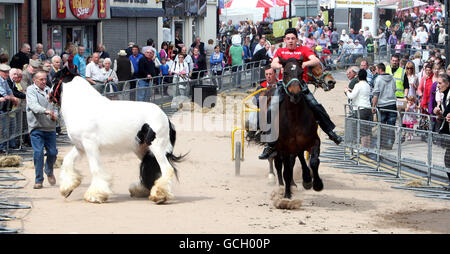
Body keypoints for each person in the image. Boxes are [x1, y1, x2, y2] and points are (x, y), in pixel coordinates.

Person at [259, 28, 342, 159]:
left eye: (293, 38)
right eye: (288, 38)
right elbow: (274, 63)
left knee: (315, 106)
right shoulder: (281, 51)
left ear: (297, 39)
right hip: (284, 86)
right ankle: (270, 144)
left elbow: (315, 60)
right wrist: (282, 66)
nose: (291, 41)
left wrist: (303, 64)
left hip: (301, 85)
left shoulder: (303, 50)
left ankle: (330, 132)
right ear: (285, 40)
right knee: (270, 109)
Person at [26, 71, 58, 189]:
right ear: (35, 80)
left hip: (50, 127)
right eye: (41, 80)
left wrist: (55, 115)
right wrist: (46, 111)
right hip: (36, 127)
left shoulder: (49, 90)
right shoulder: (31, 90)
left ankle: (49, 170)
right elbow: (33, 106)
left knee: (53, 153)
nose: (44, 82)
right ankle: (38, 180)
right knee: (38, 153)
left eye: (45, 79)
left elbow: (55, 107)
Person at [372, 63, 398, 150]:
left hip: (382, 105)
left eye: (376, 69)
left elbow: (376, 94)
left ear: (379, 70)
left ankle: (382, 144)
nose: (375, 71)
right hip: (392, 104)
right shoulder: (392, 78)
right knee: (391, 126)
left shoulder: (378, 79)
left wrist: (373, 106)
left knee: (381, 125)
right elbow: (395, 89)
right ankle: (389, 144)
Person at [344, 69, 372, 149]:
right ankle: (367, 148)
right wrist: (351, 90)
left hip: (360, 110)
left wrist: (346, 91)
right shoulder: (367, 85)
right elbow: (360, 93)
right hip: (368, 108)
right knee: (367, 131)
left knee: (362, 131)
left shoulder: (358, 85)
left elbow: (351, 96)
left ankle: (363, 148)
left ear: (358, 77)